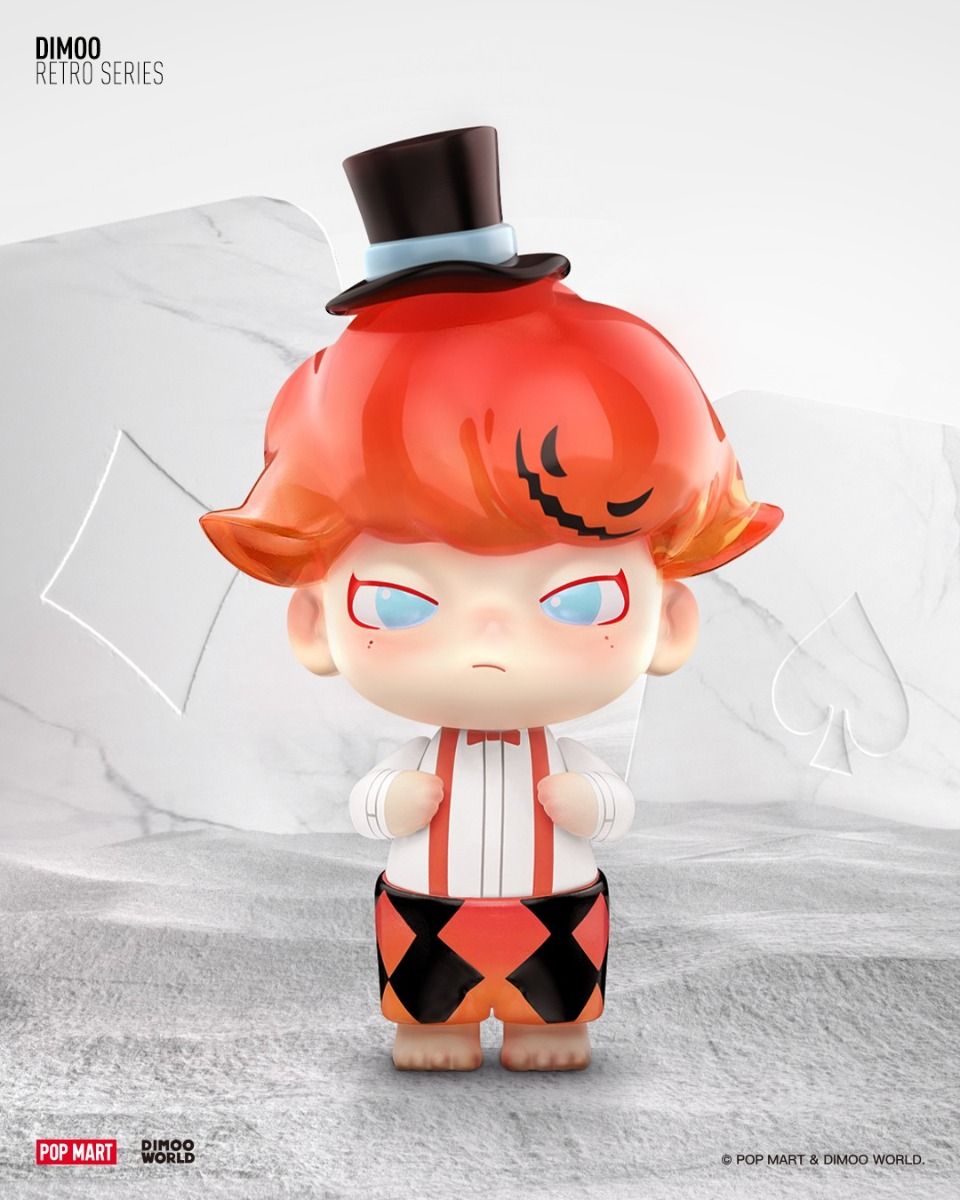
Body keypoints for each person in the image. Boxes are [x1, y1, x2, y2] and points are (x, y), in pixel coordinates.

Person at [200, 126, 782, 1072]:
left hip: (558, 908)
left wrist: (589, 800)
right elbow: (373, 806)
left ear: (671, 621)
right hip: (427, 910)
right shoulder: (421, 750)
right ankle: (431, 1021)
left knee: (554, 990)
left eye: (579, 600)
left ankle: (555, 1021)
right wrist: (394, 797)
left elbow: (610, 810)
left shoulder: (565, 752)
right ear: (312, 623)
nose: (490, 635)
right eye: (399, 604)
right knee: (431, 989)